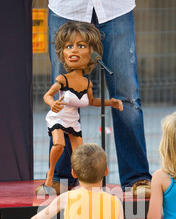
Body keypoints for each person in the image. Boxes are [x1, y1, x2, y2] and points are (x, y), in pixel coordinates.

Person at [37, 0, 151, 198]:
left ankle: (136, 178)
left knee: (127, 97)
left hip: (115, 8)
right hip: (67, 8)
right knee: (64, 96)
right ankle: (60, 178)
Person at [41, 21, 123, 192]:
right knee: (59, 145)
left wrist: (111, 102)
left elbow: (92, 102)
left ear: (91, 53)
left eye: (81, 46)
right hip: (58, 117)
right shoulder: (63, 79)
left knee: (80, 155)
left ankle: (83, 186)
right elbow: (47, 95)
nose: (74, 50)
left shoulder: (87, 83)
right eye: (69, 46)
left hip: (72, 121)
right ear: (63, 53)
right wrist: (52, 103)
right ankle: (50, 176)